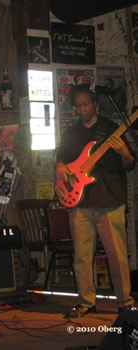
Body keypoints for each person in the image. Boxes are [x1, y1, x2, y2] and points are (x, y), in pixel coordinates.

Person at [56, 83, 137, 318]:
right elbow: (61, 159)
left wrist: (124, 152)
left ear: (95, 104)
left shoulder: (111, 129)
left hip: (109, 199)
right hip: (80, 203)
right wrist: (60, 168)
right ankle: (85, 302)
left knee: (117, 255)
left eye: (85, 104)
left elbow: (129, 165)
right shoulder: (71, 134)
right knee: (81, 256)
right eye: (77, 106)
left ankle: (125, 301)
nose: (81, 109)